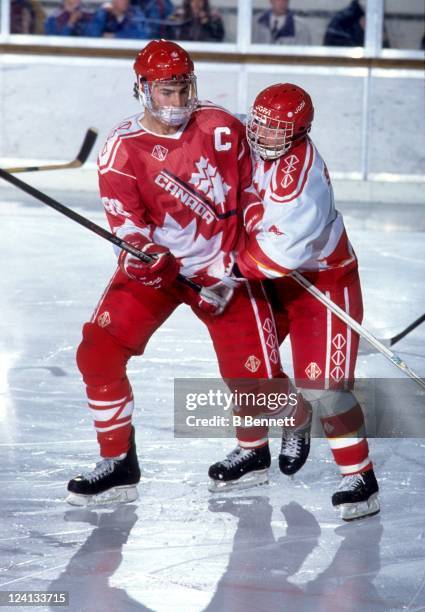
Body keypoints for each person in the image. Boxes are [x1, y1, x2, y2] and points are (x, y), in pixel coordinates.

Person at [66, 39, 295, 506]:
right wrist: (147, 255)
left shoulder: (223, 127)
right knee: (98, 352)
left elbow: (263, 186)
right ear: (143, 90)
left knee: (255, 374)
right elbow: (126, 225)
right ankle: (118, 461)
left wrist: (255, 254)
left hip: (224, 266)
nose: (175, 103)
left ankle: (255, 450)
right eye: (165, 92)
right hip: (162, 270)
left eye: (182, 89)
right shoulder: (120, 150)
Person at [235, 83, 380, 521]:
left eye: (276, 130)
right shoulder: (250, 146)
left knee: (326, 389)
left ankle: (360, 477)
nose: (262, 135)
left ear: (299, 132)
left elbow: (272, 258)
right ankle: (252, 451)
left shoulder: (303, 185)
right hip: (275, 277)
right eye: (258, 123)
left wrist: (220, 258)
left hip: (323, 283)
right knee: (246, 357)